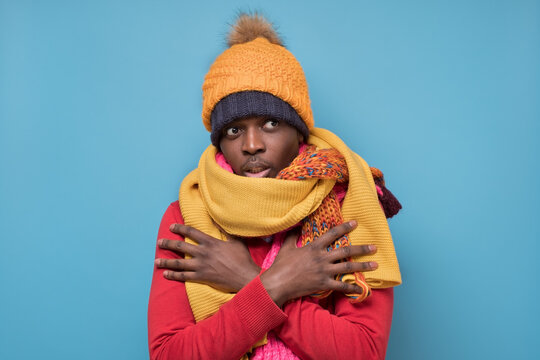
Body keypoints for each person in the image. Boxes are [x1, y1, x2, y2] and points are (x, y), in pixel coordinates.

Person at [148, 13, 402, 360]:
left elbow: (362, 352)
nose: (251, 144)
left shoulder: (349, 204)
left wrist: (248, 280)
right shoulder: (188, 216)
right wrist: (277, 284)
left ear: (299, 131)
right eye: (234, 130)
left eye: (270, 123)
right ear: (219, 141)